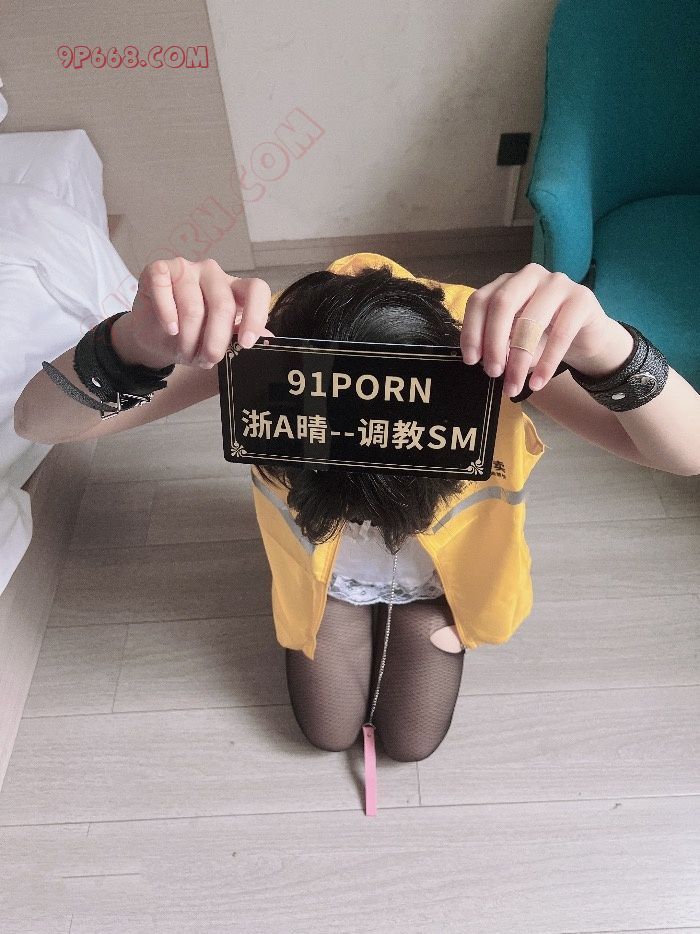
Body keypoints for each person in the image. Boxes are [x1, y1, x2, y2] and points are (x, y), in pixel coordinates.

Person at [14, 252, 700, 813]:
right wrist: (131, 344)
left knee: (412, 740)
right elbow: (38, 422)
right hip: (328, 573)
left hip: (441, 577)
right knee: (326, 730)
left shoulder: (489, 358)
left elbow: (688, 452)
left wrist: (612, 351)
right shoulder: (270, 351)